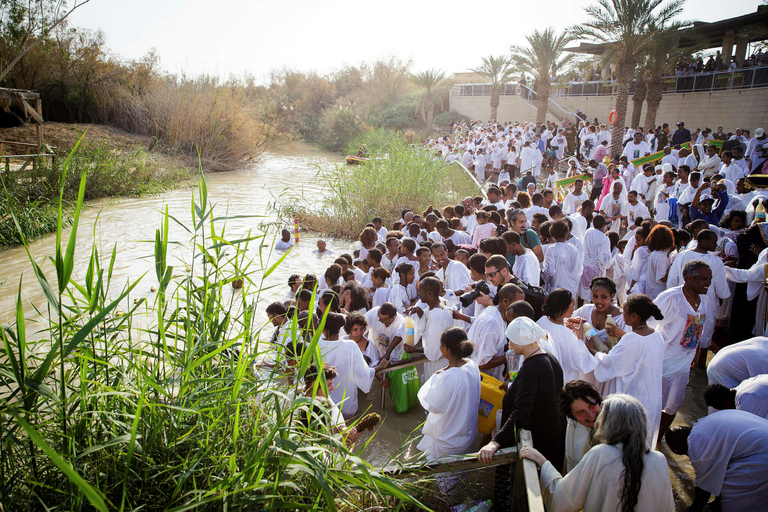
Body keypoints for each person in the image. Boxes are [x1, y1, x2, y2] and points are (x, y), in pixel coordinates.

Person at [521, 395, 674, 512]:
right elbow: (668, 508)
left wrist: (542, 461)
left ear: (609, 423)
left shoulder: (601, 454)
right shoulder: (659, 460)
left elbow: (564, 500)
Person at [478, 317, 565, 511]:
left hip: (538, 442)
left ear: (520, 340)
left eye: (511, 340)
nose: (509, 344)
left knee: (533, 496)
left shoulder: (532, 368)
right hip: (552, 438)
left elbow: (521, 412)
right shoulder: (549, 359)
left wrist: (495, 442)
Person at [590, 295, 665, 447]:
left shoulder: (632, 339)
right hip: (651, 397)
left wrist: (591, 351)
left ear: (634, 315)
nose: (622, 316)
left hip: (633, 397)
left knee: (624, 443)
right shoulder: (657, 336)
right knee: (643, 442)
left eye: (624, 313)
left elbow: (610, 363)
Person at [652, 259, 711, 439]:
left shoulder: (703, 300)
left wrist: (698, 350)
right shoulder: (670, 298)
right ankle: (647, 441)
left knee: (673, 406)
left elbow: (698, 327)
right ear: (688, 278)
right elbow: (646, 324)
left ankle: (657, 441)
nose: (708, 283)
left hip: (684, 365)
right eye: (704, 279)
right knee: (654, 406)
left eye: (709, 279)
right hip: (663, 363)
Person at [666, 410, 768, 512]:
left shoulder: (698, 447)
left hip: (762, 453)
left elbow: (704, 488)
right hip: (761, 439)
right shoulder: (703, 424)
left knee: (731, 494)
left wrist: (693, 509)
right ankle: (717, 504)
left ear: (678, 449)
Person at [417, 327, 481, 460]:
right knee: (461, 474)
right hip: (467, 435)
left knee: (444, 477)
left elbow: (432, 404)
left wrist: (436, 376)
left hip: (449, 439)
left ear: (445, 348)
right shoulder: (472, 365)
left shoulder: (448, 376)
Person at [318, 313, 389, 417]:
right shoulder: (351, 346)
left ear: (324, 330)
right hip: (346, 404)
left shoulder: (317, 344)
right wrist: (380, 367)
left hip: (323, 403)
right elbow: (362, 374)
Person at [536, 288, 596, 383]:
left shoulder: (540, 322)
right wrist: (580, 338)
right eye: (572, 306)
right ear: (563, 308)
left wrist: (564, 322)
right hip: (562, 380)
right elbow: (580, 361)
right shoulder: (565, 333)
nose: (573, 309)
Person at [407, 277, 455, 380]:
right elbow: (424, 326)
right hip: (436, 363)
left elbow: (434, 351)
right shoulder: (435, 308)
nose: (419, 294)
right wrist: (420, 312)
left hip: (439, 365)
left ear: (429, 293)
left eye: (421, 291)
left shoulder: (437, 317)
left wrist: (415, 350)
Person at [560, 380, 603, 473]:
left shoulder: (614, 427)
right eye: (581, 412)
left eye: (591, 406)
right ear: (572, 416)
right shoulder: (574, 427)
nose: (591, 415)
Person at [577, 215, 611, 303]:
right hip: (597, 268)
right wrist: (605, 266)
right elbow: (604, 256)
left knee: (582, 292)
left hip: (585, 266)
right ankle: (593, 310)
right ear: (604, 225)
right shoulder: (604, 239)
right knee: (596, 292)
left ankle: (580, 309)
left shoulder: (588, 232)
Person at [542, 220, 581, 295]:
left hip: (556, 288)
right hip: (571, 288)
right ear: (566, 233)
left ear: (552, 234)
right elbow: (577, 270)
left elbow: (549, 271)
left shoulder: (551, 249)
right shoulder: (573, 249)